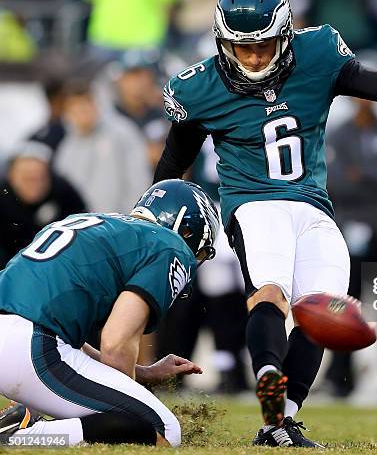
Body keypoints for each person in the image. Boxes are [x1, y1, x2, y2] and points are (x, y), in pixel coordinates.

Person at [155, 0, 377, 447]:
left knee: (323, 311)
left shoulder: (318, 51)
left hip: (313, 205)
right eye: (243, 47)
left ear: (283, 35)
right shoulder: (199, 87)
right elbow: (173, 164)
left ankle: (280, 421)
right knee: (271, 293)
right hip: (253, 204)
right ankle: (267, 385)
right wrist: (149, 218)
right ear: (222, 41)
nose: (255, 56)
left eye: (263, 44)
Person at [0, 179, 220, 447]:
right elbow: (115, 343)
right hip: (32, 349)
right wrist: (131, 402)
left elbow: (57, 324)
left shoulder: (94, 223)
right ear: (188, 232)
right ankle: (22, 437)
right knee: (162, 429)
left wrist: (143, 372)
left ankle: (26, 424)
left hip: (20, 341)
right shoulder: (169, 244)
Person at [325, 98, 377, 398]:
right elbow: (336, 182)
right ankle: (339, 377)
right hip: (352, 229)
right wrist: (376, 174)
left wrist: (362, 173)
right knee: (345, 308)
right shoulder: (338, 133)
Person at [54, 80, 151, 213]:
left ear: (96, 104)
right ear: (67, 112)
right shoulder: (66, 149)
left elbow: (139, 180)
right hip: (81, 227)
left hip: (120, 224)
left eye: (86, 104)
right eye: (75, 107)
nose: (82, 111)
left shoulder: (122, 133)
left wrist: (130, 219)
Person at [0, 141, 86, 268]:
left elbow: (85, 228)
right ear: (12, 176)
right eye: (27, 178)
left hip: (59, 267)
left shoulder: (63, 192)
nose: (35, 185)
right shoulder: (3, 198)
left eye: (40, 178)